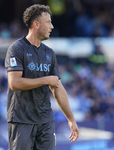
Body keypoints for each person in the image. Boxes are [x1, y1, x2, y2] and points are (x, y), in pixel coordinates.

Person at [5, 4, 79, 150]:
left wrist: (71, 119)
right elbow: (14, 83)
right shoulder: (16, 49)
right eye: (48, 22)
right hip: (22, 120)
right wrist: (46, 80)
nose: (52, 26)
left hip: (45, 120)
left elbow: (57, 87)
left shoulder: (49, 53)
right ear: (36, 24)